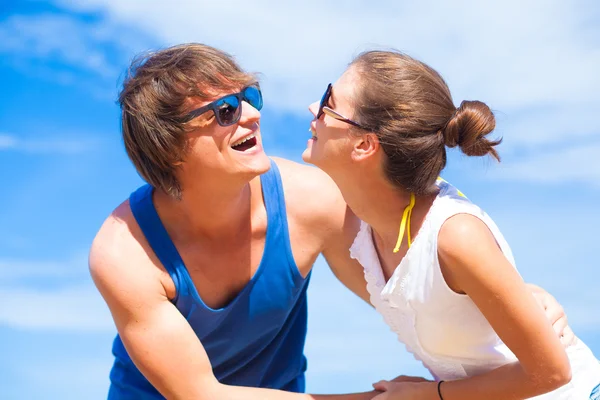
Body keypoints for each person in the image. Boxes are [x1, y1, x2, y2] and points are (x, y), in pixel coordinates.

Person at [89, 43, 573, 400]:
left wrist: (520, 301)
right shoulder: (124, 253)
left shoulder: (311, 199)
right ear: (169, 146)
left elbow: (404, 290)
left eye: (250, 95)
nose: (254, 114)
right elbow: (199, 394)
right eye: (225, 111)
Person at [303, 49, 600, 399]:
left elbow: (553, 373)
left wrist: (432, 394)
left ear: (365, 144)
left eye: (328, 101)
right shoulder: (367, 223)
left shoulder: (454, 235)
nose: (313, 108)